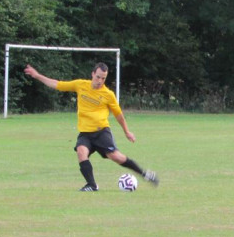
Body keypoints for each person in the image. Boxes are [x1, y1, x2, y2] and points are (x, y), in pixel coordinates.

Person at [24, 62, 159, 191]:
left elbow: (119, 115)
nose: (100, 80)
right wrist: (37, 75)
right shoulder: (80, 85)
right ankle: (92, 185)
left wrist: (127, 131)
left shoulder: (108, 94)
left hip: (101, 133)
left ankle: (144, 174)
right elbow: (57, 84)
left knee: (116, 157)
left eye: (103, 78)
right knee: (81, 152)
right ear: (92, 74)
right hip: (85, 134)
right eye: (98, 77)